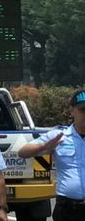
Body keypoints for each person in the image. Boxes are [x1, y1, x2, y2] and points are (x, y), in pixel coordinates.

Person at [18, 88, 85, 221]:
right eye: (83, 110)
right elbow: (22, 152)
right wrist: (44, 147)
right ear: (72, 111)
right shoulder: (60, 136)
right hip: (67, 209)